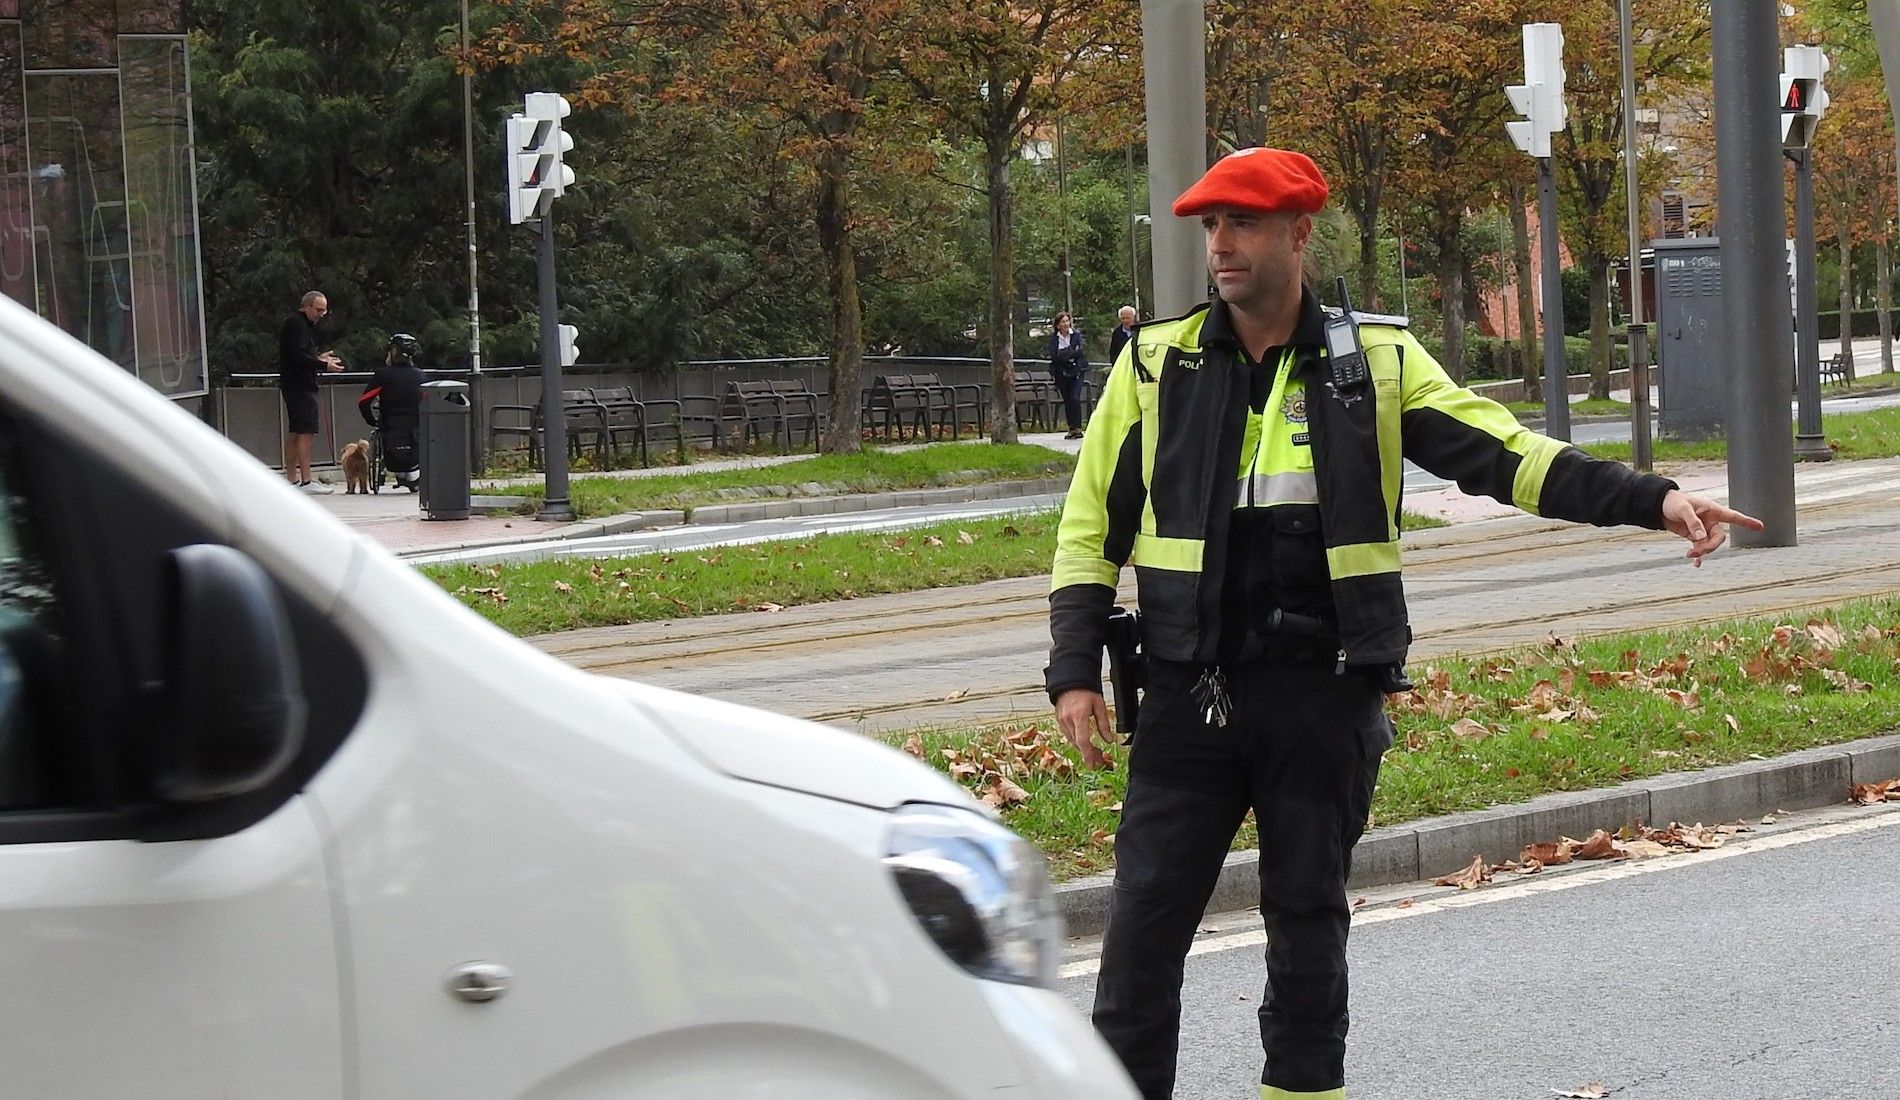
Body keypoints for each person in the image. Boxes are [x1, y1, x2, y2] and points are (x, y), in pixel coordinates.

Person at [1044, 147, 1762, 1100]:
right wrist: (1075, 667)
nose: (1220, 244)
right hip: (1189, 696)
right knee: (1140, 936)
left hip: (1322, 693)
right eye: (1211, 226)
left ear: (1298, 234)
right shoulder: (1154, 363)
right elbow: (1091, 521)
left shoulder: (1374, 364)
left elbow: (1507, 457)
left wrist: (1653, 499)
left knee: (1306, 925)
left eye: (1243, 223)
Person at [278, 291, 343, 492]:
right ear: (306, 306)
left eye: (324, 310)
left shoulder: (299, 325)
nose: (321, 314)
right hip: (301, 386)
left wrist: (318, 358)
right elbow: (297, 356)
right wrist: (323, 366)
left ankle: (291, 478)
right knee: (305, 431)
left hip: (294, 384)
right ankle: (306, 480)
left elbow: (300, 354)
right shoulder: (297, 324)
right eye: (319, 309)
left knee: (295, 431)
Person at [357, 332, 426, 491]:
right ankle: (413, 476)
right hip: (415, 425)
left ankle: (400, 473)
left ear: (394, 352)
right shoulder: (421, 376)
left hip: (389, 424)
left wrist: (371, 420)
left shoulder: (383, 375)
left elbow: (364, 401)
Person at [1049, 310, 1090, 439]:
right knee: (1067, 400)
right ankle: (1071, 427)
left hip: (1076, 370)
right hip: (1061, 372)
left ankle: (1078, 427)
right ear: (1058, 325)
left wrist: (1065, 354)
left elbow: (1079, 352)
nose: (1066, 324)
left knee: (1074, 398)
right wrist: (1068, 353)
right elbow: (1054, 355)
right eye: (1063, 322)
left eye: (1067, 321)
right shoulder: (1054, 339)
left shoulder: (1076, 336)